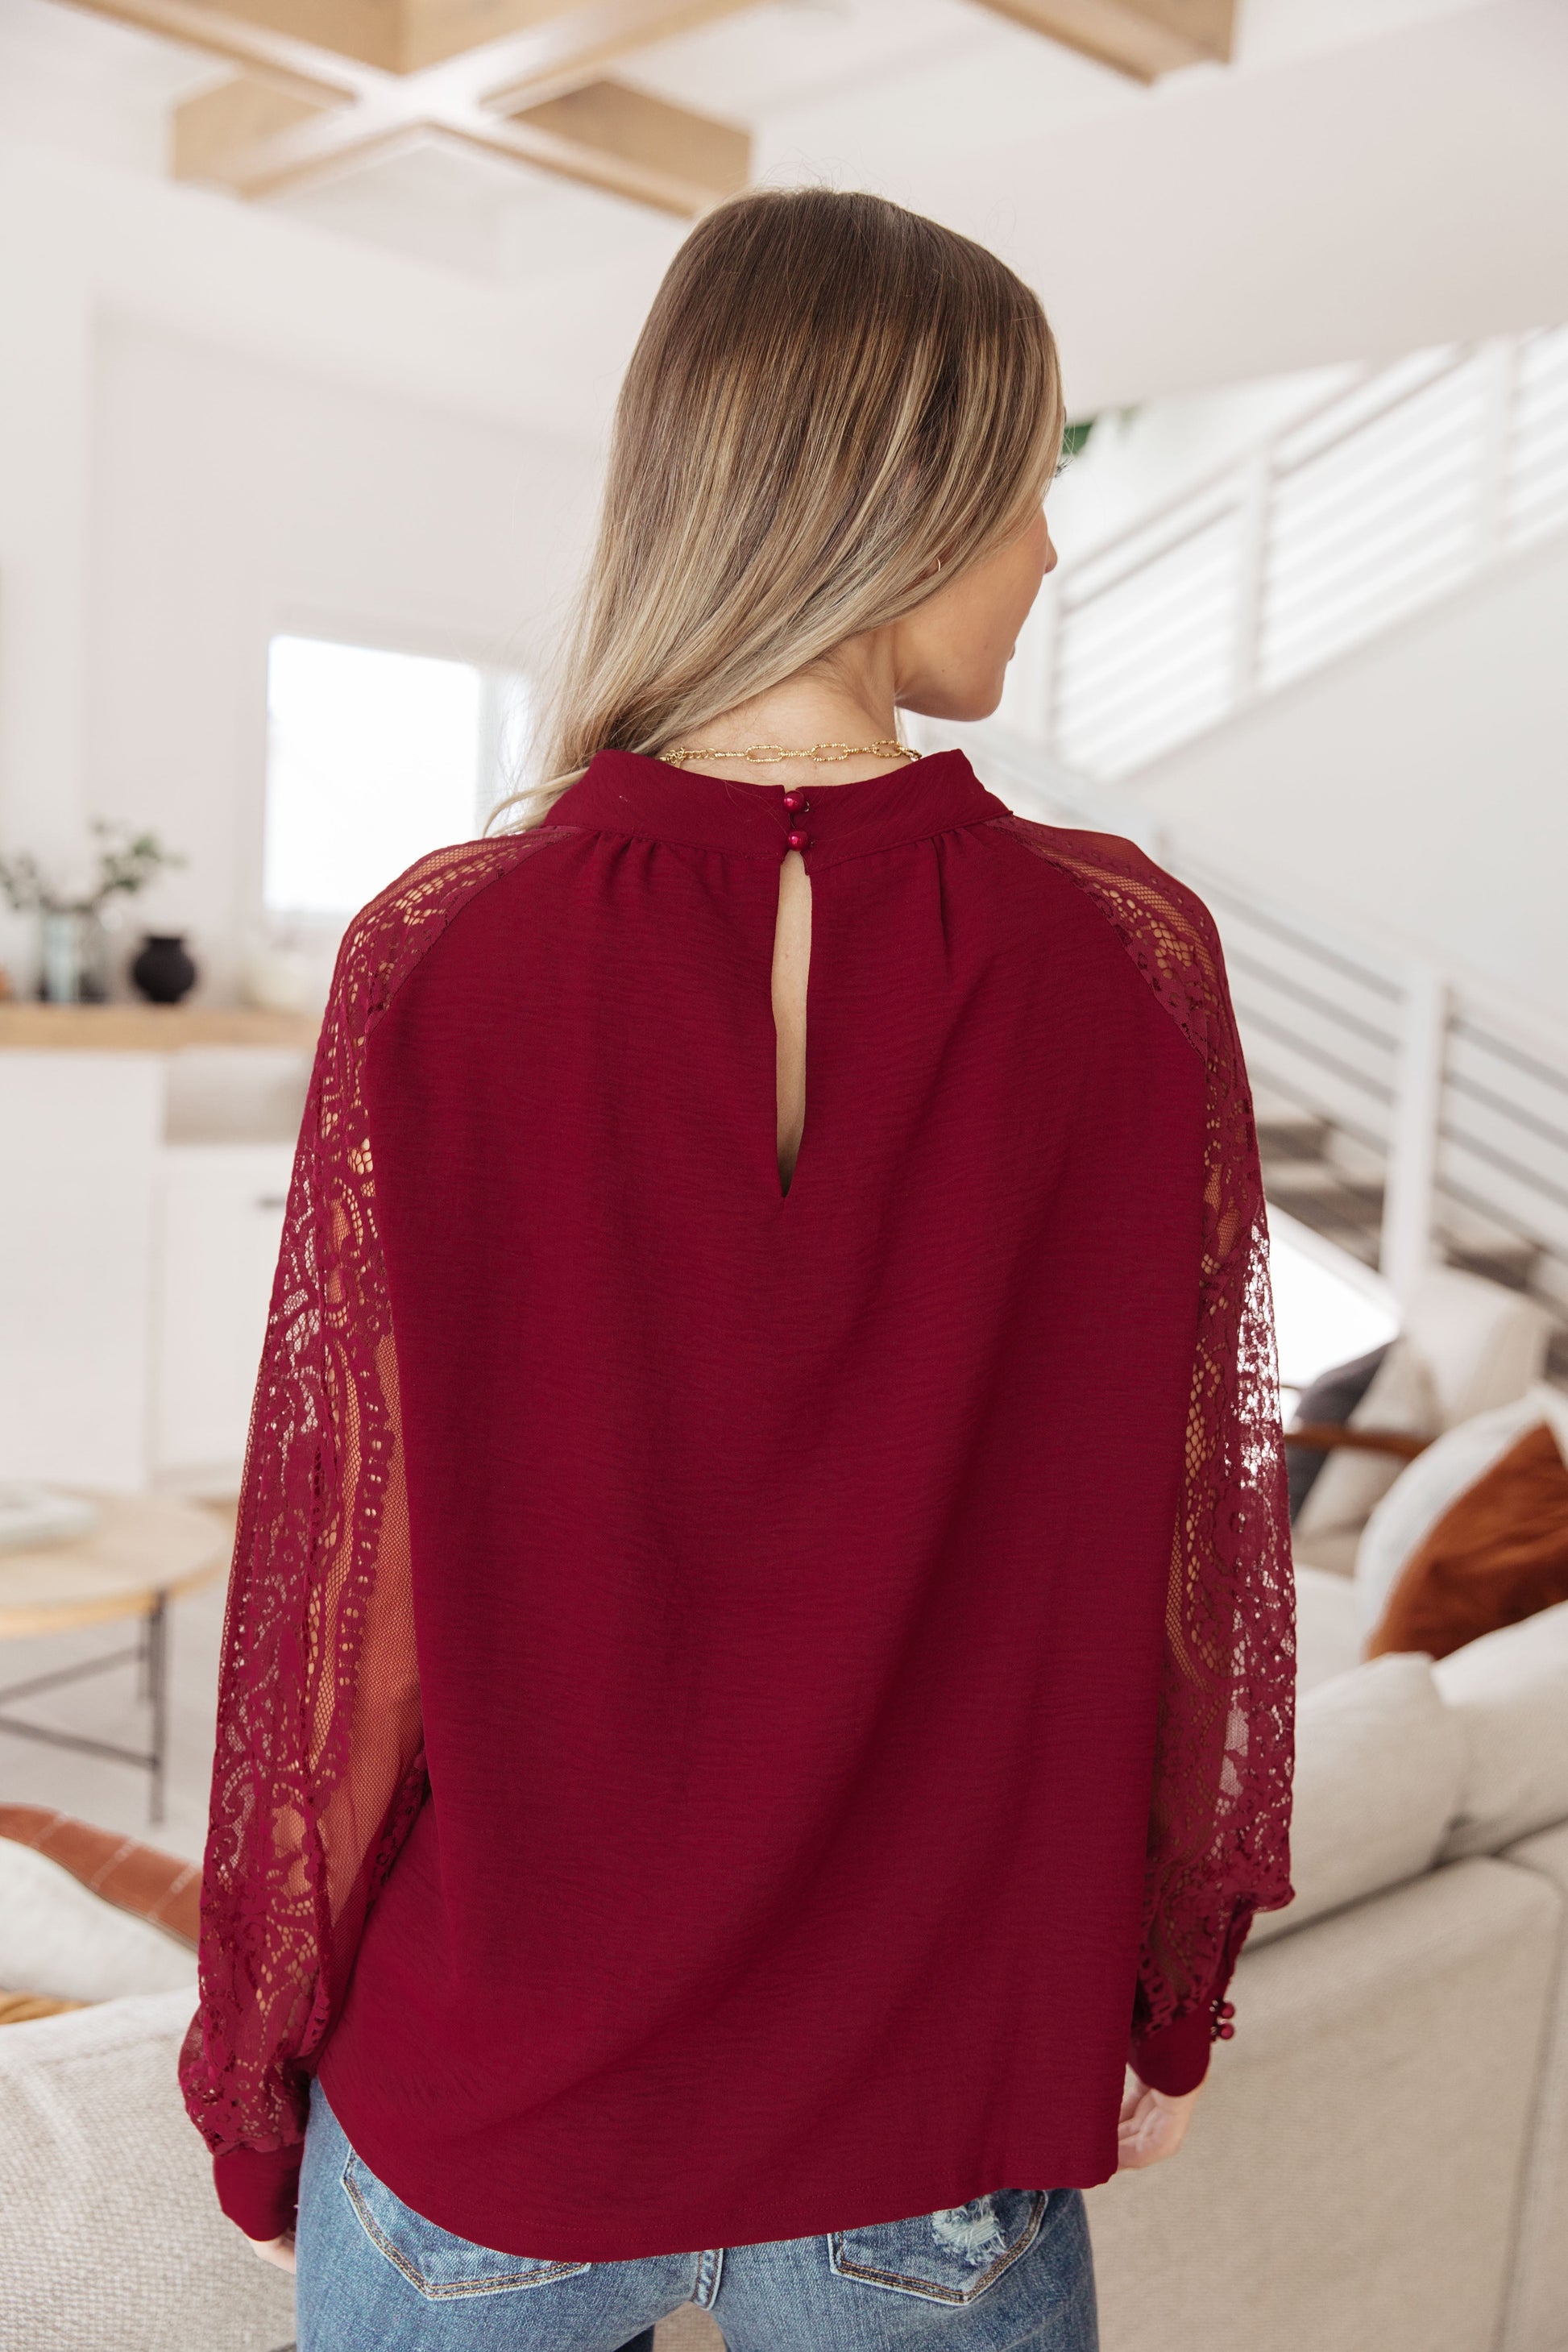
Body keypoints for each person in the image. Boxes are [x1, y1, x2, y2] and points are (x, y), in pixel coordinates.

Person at [180, 187, 1295, 2352]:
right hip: (938, 2114)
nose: (1049, 550)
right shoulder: (1124, 959)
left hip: (490, 2116)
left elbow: (341, 1603)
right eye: (1031, 484)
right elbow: (1184, 1555)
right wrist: (1162, 1988)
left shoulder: (441, 949)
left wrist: (256, 2071)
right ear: (903, 493)